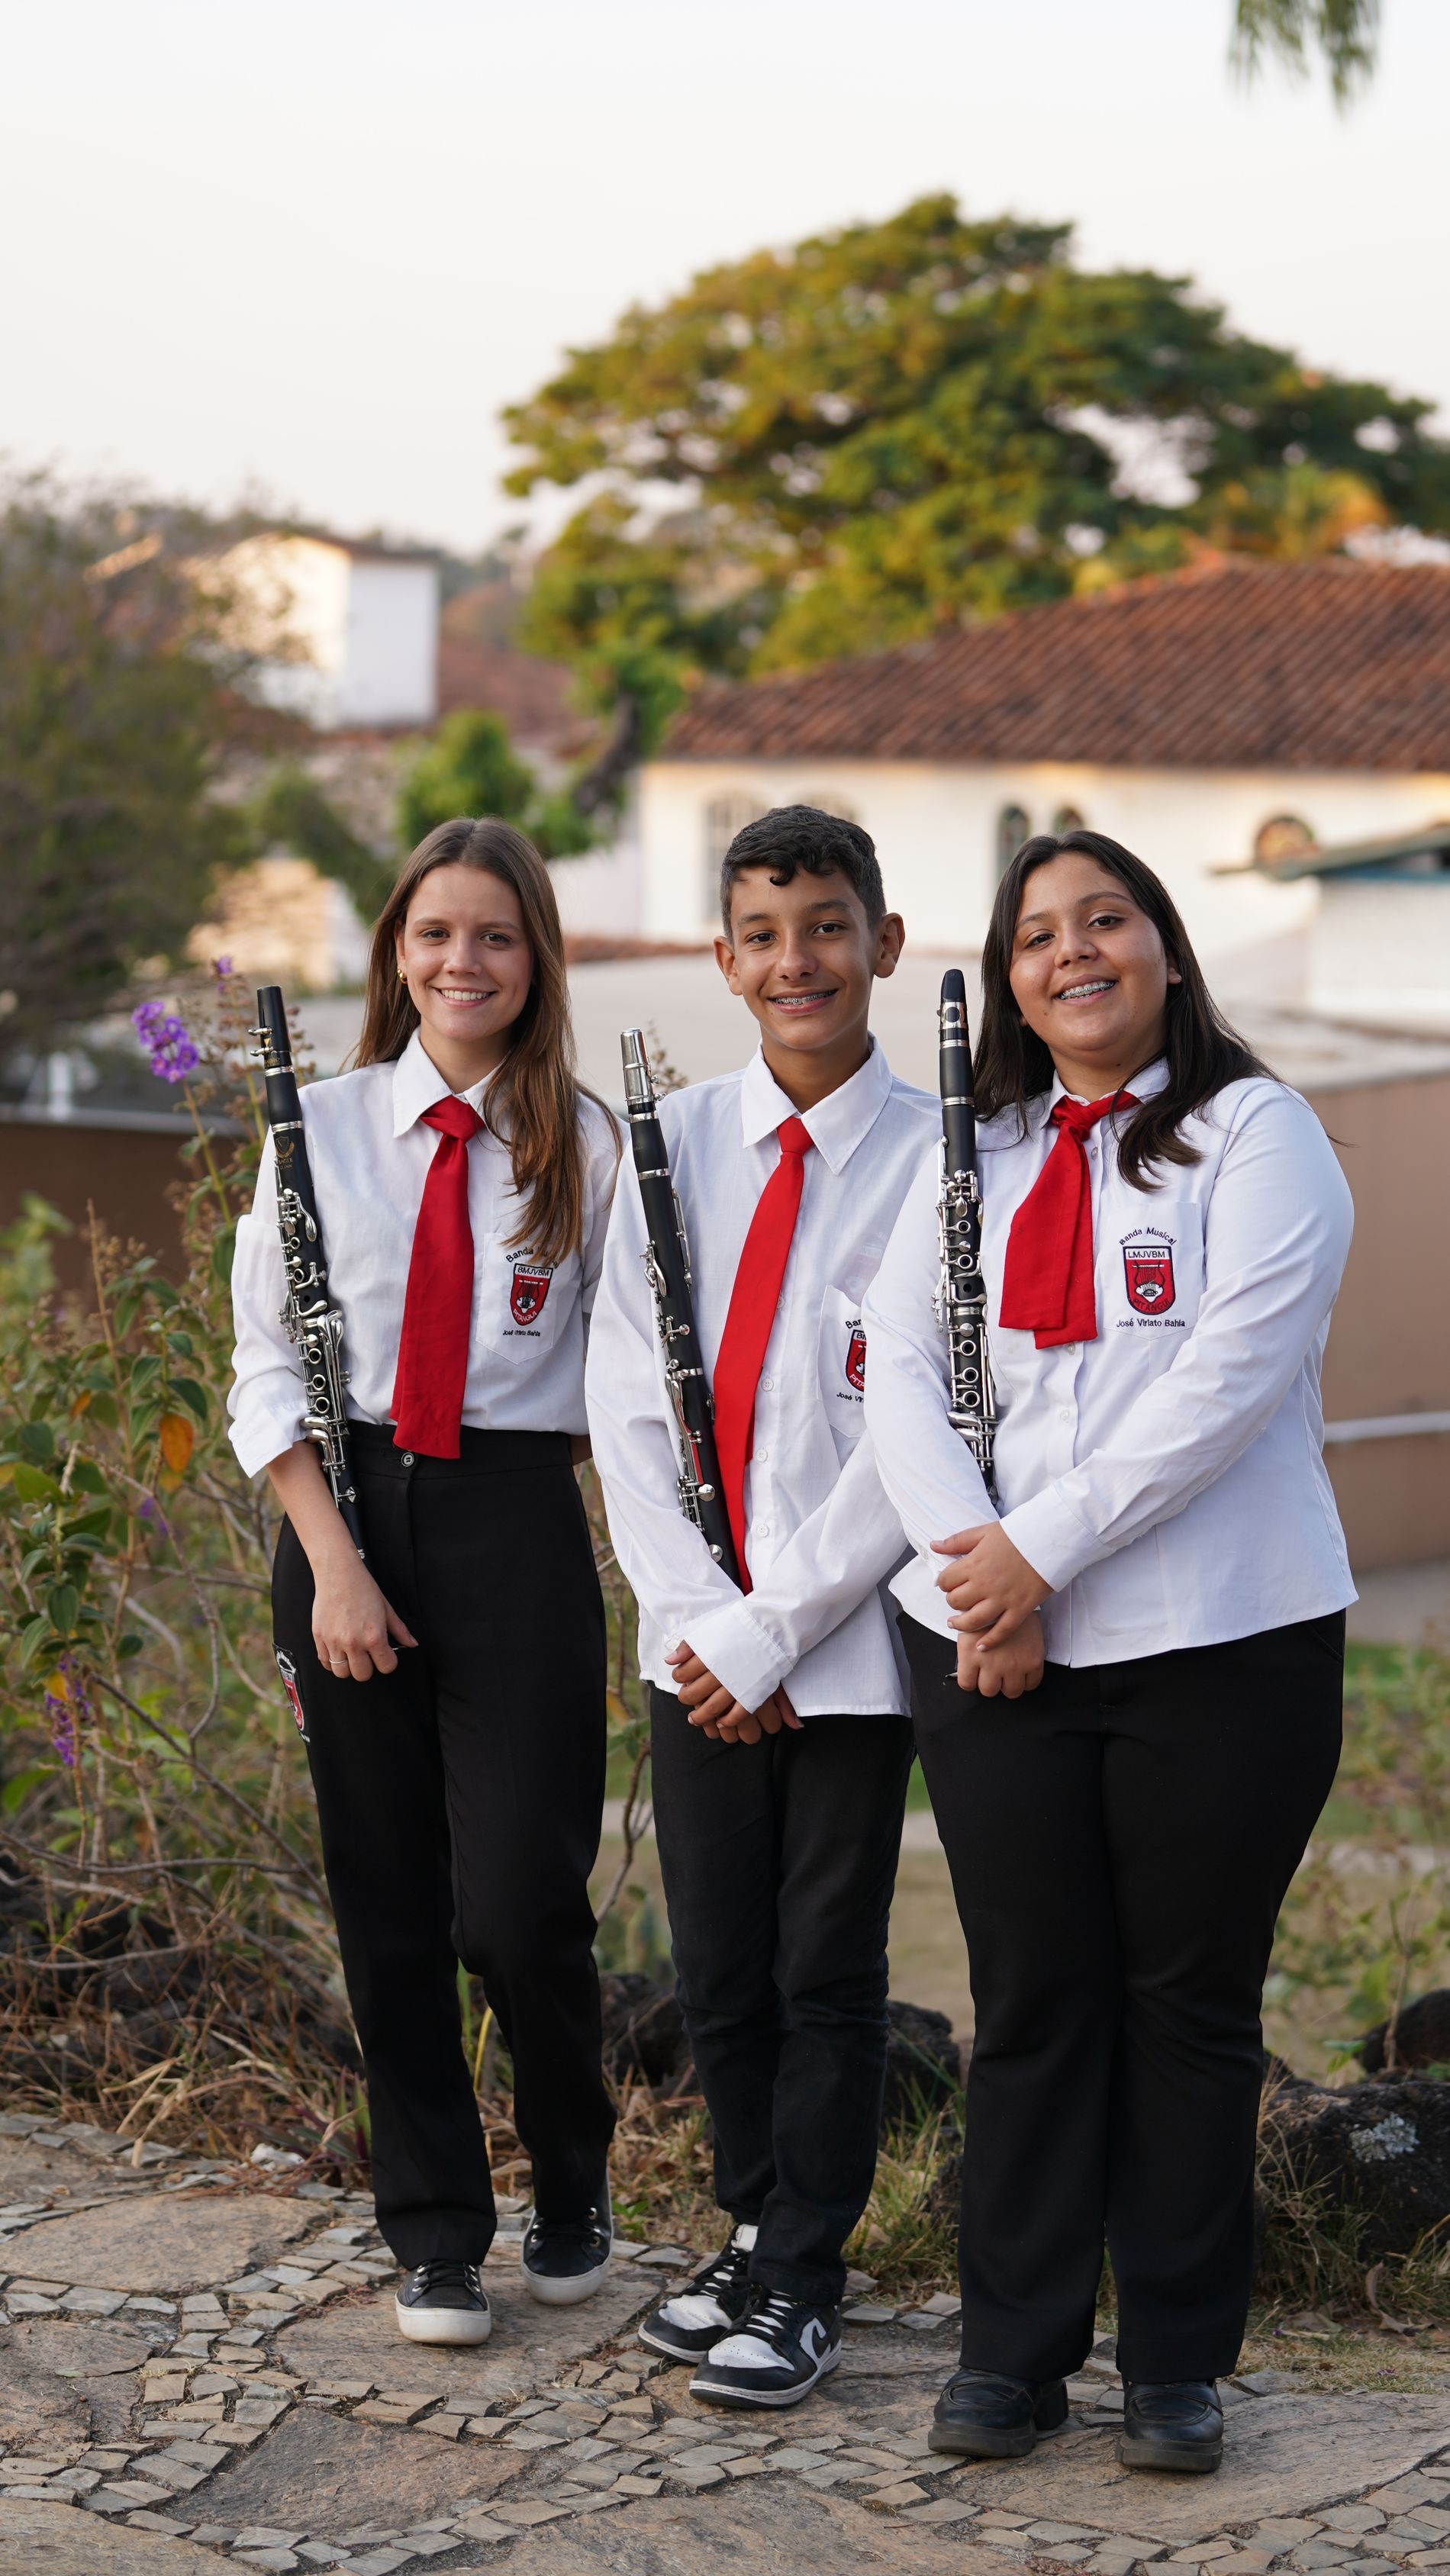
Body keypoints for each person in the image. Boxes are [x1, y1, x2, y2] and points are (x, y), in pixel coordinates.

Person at [862, 829, 1355, 2475]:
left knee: (1187, 2006)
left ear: (1165, 946)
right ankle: (1009, 2354)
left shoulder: (1258, 1133)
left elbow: (1226, 1381)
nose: (1071, 951)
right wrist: (981, 1585)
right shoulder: (973, 1152)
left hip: (1223, 1642)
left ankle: (1175, 2364)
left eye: (1105, 918)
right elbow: (897, 1369)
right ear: (1009, 981)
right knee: (1029, 1999)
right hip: (997, 1646)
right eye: (1036, 935)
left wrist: (1037, 1557)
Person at [228, 816, 619, 2347]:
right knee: (386, 1902)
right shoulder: (315, 1130)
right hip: (345, 1518)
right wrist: (333, 1562)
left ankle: (571, 2167)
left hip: (513, 1522)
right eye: (437, 932)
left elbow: (620, 1383)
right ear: (398, 951)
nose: (465, 960)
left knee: (520, 1905)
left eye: (496, 936)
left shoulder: (584, 1142)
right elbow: (266, 1362)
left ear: (536, 960)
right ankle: (438, 2227)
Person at [586, 806, 936, 2409]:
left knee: (823, 1967)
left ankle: (804, 2269)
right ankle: (750, 2221)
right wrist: (699, 1618)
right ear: (722, 962)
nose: (797, 959)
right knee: (717, 1962)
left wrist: (772, 1626)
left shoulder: (945, 1157)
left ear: (883, 940)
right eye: (763, 935)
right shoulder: (670, 1143)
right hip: (694, 1639)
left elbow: (912, 1437)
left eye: (826, 926)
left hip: (847, 1645)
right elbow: (625, 1406)